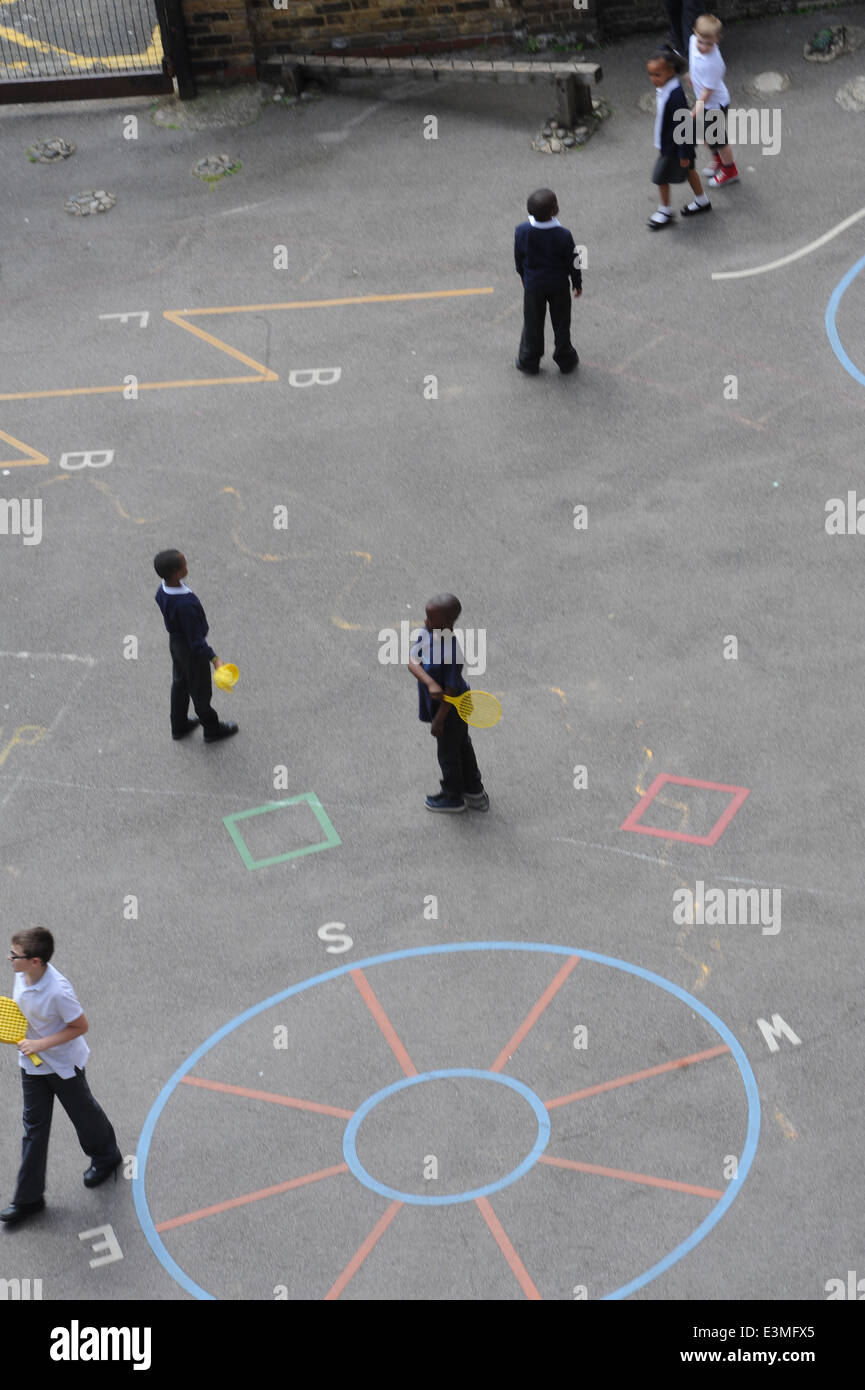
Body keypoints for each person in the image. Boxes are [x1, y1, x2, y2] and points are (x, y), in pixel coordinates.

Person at [1, 927, 122, 1226]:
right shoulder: (21, 974)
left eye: (14, 955)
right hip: (32, 1065)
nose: (9, 958)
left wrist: (39, 1043)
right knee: (33, 1128)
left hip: (64, 1066)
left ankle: (107, 1156)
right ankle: (29, 1199)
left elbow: (80, 1026)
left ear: (36, 962)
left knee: (84, 1116)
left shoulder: (59, 991)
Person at [407, 594, 489, 813]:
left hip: (451, 710)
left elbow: (450, 694)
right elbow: (412, 661)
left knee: (448, 753)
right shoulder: (427, 633)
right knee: (460, 746)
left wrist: (438, 722)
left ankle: (453, 797)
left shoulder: (452, 653)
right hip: (440, 705)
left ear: (447, 622)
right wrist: (431, 682)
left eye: (430, 618)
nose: (425, 621)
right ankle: (474, 790)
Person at [153, 549, 238, 743]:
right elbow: (196, 641)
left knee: (180, 683)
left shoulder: (163, 589)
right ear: (176, 573)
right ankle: (212, 728)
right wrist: (214, 658)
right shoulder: (184, 605)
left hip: (175, 644)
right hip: (191, 652)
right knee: (201, 693)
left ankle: (179, 725)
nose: (187, 565)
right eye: (184, 564)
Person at [514, 188, 582, 375]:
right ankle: (565, 358)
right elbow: (574, 261)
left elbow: (518, 257)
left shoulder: (521, 231)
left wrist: (523, 276)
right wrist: (577, 283)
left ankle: (529, 360)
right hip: (558, 286)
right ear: (555, 210)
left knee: (532, 323)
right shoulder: (563, 235)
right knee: (561, 324)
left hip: (533, 286)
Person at [646, 45, 712, 230]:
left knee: (660, 177)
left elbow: (683, 125)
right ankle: (702, 201)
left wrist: (683, 153)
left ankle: (665, 210)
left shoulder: (675, 95)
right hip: (679, 144)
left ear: (671, 72)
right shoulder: (668, 86)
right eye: (651, 75)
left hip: (675, 146)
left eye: (657, 75)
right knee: (690, 172)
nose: (653, 79)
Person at [688, 15, 739, 187]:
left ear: (717, 40)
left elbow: (707, 92)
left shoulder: (714, 63)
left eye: (709, 44)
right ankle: (718, 161)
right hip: (705, 102)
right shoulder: (692, 41)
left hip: (715, 104)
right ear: (695, 33)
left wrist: (695, 110)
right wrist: (690, 76)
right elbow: (693, 61)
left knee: (719, 140)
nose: (703, 47)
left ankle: (730, 171)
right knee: (707, 136)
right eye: (701, 41)